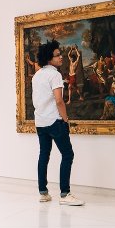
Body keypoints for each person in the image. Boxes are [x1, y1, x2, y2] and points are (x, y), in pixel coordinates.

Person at [31, 41, 83, 206]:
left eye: (61, 54)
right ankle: (65, 194)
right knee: (68, 154)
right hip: (55, 121)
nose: (61, 57)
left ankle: (43, 193)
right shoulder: (55, 75)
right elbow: (59, 101)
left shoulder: (38, 75)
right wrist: (66, 120)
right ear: (49, 58)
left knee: (44, 155)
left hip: (40, 122)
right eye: (57, 55)